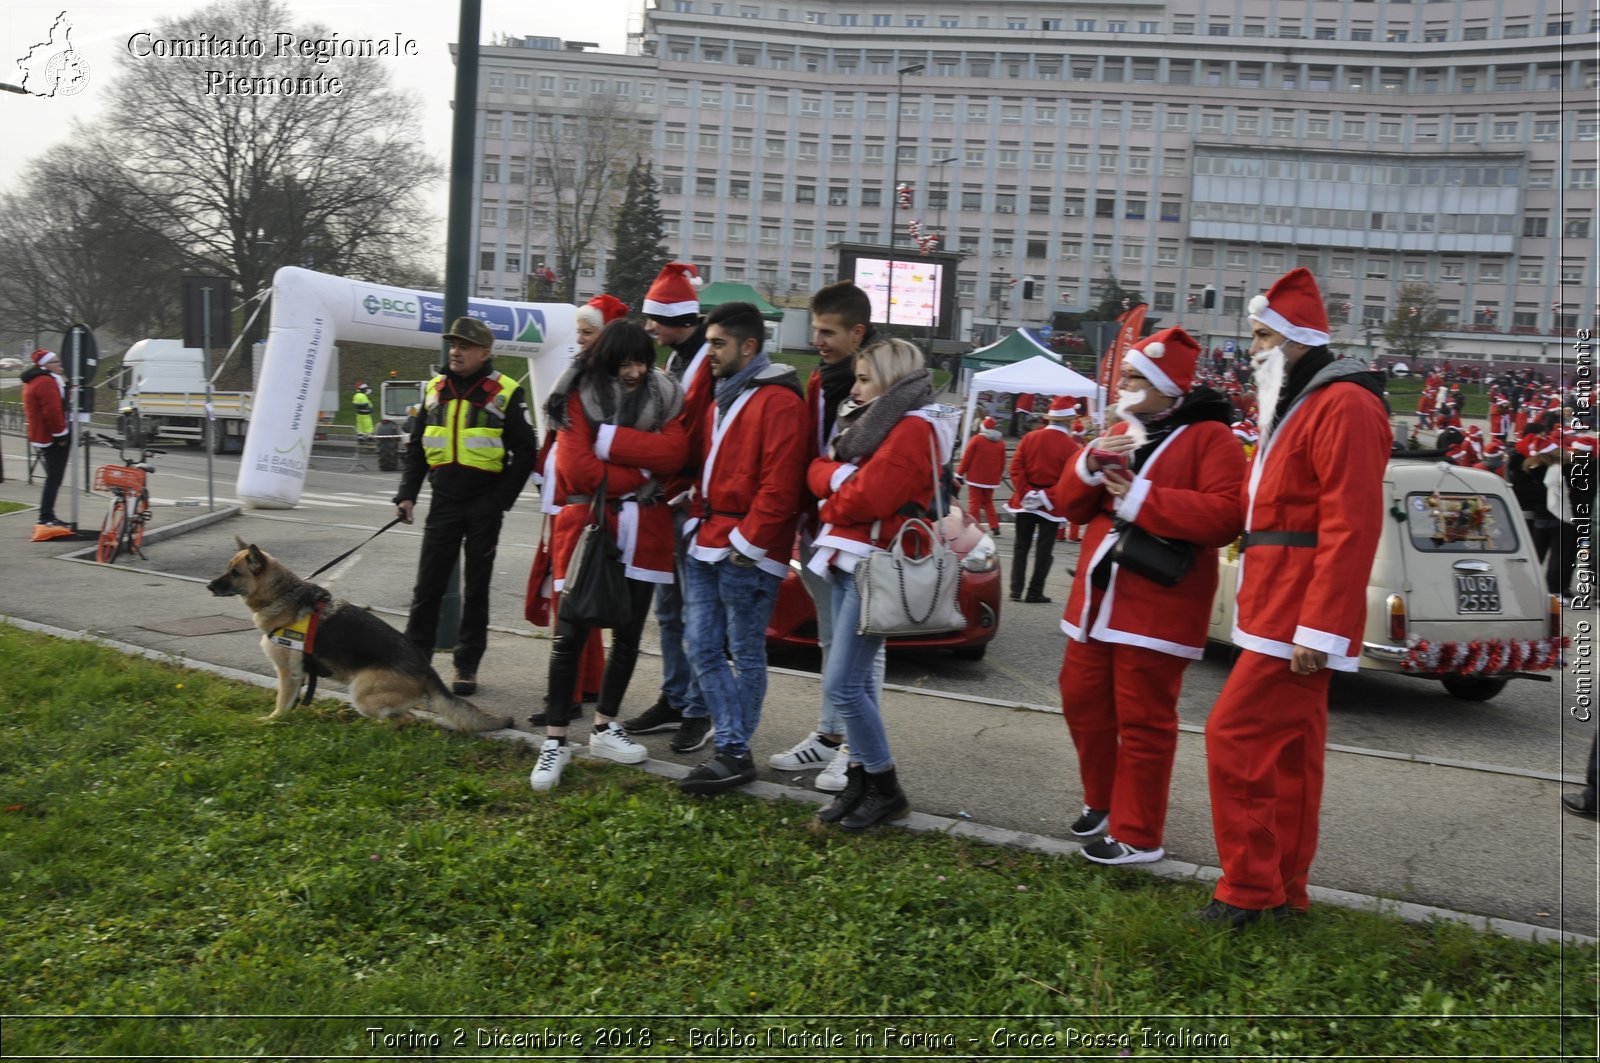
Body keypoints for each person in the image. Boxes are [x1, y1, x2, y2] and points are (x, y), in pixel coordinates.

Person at [1199, 268, 1391, 927]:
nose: (1250, 350)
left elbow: (1351, 521)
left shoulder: (1345, 404)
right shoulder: (1304, 400)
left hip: (1298, 612)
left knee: (1235, 737)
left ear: (1294, 339)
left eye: (1259, 336)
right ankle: (1283, 891)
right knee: (1290, 759)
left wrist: (1321, 625)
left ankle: (1248, 890)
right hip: (1278, 601)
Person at [1046, 328, 1246, 864]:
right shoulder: (1120, 430)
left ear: (1164, 386)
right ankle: (1104, 802)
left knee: (1143, 719)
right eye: (1126, 375)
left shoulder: (1213, 438)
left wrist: (1141, 498)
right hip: (1097, 598)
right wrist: (1087, 463)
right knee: (1082, 701)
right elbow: (1071, 506)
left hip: (1158, 601)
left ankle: (1140, 833)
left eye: (1135, 377)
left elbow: (1226, 517)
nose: (1124, 383)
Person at [528, 322, 689, 791]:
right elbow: (576, 469)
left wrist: (609, 445)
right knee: (571, 635)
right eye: (626, 362)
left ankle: (605, 726)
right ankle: (555, 740)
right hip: (588, 529)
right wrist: (643, 472)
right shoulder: (577, 393)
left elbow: (678, 453)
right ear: (606, 360)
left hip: (646, 533)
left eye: (642, 360)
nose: (636, 371)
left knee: (629, 634)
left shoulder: (667, 394)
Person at [806, 338, 958, 829]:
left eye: (865, 378)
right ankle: (860, 783)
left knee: (845, 686)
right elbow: (829, 474)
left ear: (891, 382)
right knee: (855, 687)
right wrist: (837, 479)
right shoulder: (884, 424)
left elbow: (868, 497)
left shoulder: (913, 429)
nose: (854, 388)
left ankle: (885, 786)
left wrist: (831, 487)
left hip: (872, 565)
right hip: (857, 561)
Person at [678, 301, 808, 794]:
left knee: (746, 652)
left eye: (717, 344)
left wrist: (743, 545)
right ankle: (733, 748)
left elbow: (780, 485)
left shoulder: (778, 400)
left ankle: (733, 751)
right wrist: (696, 521)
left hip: (742, 550)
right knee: (701, 646)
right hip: (710, 541)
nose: (708, 352)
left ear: (748, 346)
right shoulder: (723, 396)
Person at [767, 281, 885, 791]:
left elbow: (857, 469)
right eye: (815, 330)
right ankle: (829, 736)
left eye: (828, 332)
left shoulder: (885, 382)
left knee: (862, 648)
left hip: (859, 536)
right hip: (820, 531)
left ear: (857, 333)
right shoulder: (824, 377)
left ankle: (859, 753)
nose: (817, 339)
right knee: (831, 639)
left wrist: (823, 477)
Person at [394, 316, 539, 696]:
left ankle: (466, 665)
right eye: (453, 344)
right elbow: (417, 449)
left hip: (483, 504)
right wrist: (406, 494)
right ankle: (415, 664)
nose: (455, 351)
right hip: (443, 501)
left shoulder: (505, 391)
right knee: (427, 586)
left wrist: (499, 501)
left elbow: (526, 452)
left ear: (485, 352)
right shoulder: (434, 388)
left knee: (476, 588)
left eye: (465, 346)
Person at [621, 264, 716, 755]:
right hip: (670, 500)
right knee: (671, 610)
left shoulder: (704, 362)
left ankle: (700, 708)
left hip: (691, 503)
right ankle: (677, 697)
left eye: (653, 319)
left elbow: (693, 437)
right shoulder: (681, 360)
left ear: (674, 317)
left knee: (697, 614)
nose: (648, 328)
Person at [1005, 396, 1083, 603]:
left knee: (1021, 546)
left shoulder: (1030, 438)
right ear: (1068, 421)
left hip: (1025, 501)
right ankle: (1034, 591)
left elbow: (1016, 467)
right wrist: (1044, 497)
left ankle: (1015, 589)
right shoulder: (1072, 447)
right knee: (1044, 550)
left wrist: (1027, 493)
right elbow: (1069, 479)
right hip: (1052, 504)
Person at [22, 349, 70, 535]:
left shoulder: (36, 380)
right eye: (55, 362)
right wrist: (61, 436)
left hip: (40, 435)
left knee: (53, 477)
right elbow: (52, 412)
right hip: (51, 437)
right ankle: (46, 516)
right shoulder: (45, 382)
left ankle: (47, 515)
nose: (60, 365)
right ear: (45, 365)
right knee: (54, 478)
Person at [957, 416, 1006, 536]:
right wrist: (998, 476)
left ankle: (975, 527)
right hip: (991, 479)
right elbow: (1002, 462)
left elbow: (967, 459)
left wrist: (959, 473)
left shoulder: (976, 439)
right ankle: (995, 526)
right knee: (988, 502)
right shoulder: (1001, 443)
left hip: (976, 477)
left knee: (974, 502)